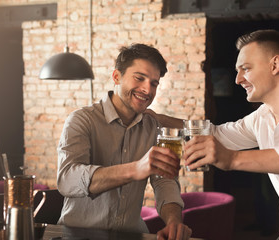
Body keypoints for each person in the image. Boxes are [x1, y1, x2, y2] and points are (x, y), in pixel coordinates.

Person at [149, 29, 279, 239]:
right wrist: (158, 119)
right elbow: (217, 135)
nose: (238, 80)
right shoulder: (260, 117)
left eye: (245, 69)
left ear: (275, 65)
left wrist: (233, 159)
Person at [57, 43, 192, 240]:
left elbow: (165, 182)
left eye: (154, 83)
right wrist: (136, 168)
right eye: (139, 78)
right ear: (117, 77)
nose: (147, 89)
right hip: (78, 234)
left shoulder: (153, 127)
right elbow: (67, 180)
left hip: (132, 234)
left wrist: (173, 222)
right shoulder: (81, 119)